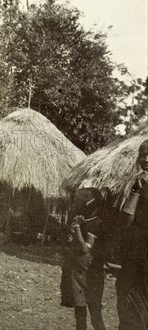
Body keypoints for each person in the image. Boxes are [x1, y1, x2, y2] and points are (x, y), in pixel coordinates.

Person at [60, 187, 107, 330]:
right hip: (78, 273)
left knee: (94, 314)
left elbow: (86, 248)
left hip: (91, 273)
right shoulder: (85, 221)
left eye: (79, 201)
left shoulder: (96, 223)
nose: (76, 205)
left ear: (89, 203)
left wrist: (78, 229)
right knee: (80, 312)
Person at [116, 139, 148, 330]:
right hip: (136, 249)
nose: (146, 158)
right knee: (130, 293)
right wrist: (136, 191)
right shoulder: (134, 183)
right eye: (142, 154)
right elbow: (127, 219)